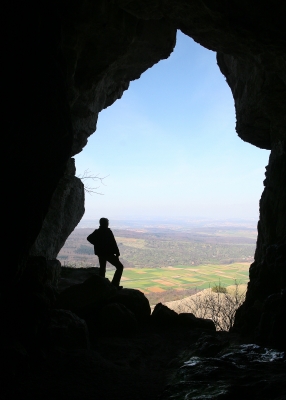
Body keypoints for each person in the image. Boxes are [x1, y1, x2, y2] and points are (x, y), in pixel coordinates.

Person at [87, 218, 124, 288]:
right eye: (107, 222)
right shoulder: (108, 231)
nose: (108, 224)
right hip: (108, 253)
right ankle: (115, 284)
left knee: (102, 268)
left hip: (100, 253)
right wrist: (117, 253)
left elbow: (89, 238)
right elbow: (113, 243)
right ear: (105, 223)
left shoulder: (97, 231)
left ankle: (101, 286)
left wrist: (97, 244)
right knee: (120, 267)